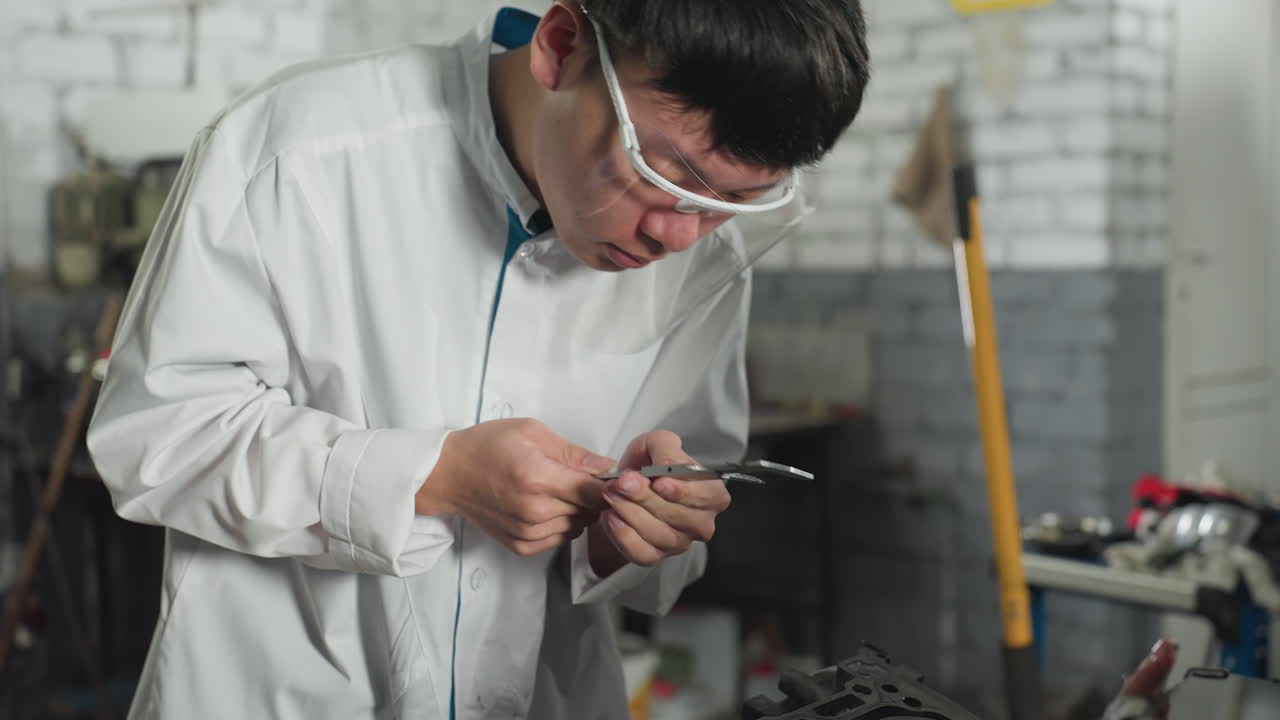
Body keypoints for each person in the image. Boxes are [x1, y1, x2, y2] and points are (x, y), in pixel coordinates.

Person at [86, 1, 870, 718]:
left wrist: (634, 533)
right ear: (561, 48)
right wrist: (433, 478)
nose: (677, 237)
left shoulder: (702, 249)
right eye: (665, 176)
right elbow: (155, 436)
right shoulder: (297, 148)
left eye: (729, 203)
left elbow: (672, 523)